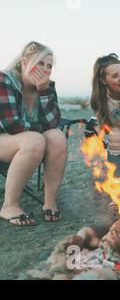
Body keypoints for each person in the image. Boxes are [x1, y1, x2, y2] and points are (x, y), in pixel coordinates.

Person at [0, 41, 67, 226]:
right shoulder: (4, 79)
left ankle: (50, 201)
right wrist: (40, 131)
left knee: (57, 137)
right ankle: (9, 204)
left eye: (49, 66)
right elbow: (12, 125)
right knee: (36, 139)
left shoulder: (47, 87)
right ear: (24, 62)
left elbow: (53, 124)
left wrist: (44, 92)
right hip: (3, 138)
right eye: (40, 63)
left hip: (24, 140)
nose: (45, 70)